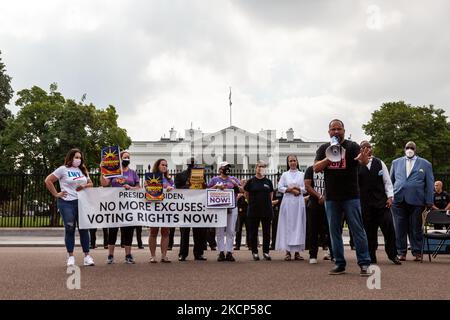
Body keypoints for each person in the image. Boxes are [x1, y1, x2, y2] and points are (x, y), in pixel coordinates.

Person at [314, 119, 371, 276]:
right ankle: (339, 263)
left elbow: (363, 162)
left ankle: (364, 263)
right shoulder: (324, 148)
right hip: (331, 197)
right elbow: (316, 168)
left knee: (357, 229)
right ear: (329, 132)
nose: (336, 132)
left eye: (339, 129)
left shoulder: (352, 146)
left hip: (351, 196)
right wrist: (330, 155)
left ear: (344, 131)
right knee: (334, 232)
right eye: (333, 129)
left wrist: (364, 160)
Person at [44, 148, 95, 267]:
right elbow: (48, 180)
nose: (78, 159)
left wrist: (83, 186)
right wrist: (56, 194)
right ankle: (70, 256)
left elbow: (91, 184)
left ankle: (87, 256)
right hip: (66, 202)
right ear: (70, 157)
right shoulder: (63, 169)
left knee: (84, 228)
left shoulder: (83, 169)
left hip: (81, 202)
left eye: (80, 158)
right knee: (70, 228)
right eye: (76, 157)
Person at [357, 141, 401, 265]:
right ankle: (371, 256)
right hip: (365, 204)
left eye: (369, 147)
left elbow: (387, 182)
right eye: (364, 147)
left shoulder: (380, 163)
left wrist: (390, 197)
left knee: (389, 230)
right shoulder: (357, 165)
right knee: (369, 232)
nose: (367, 149)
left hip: (382, 204)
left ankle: (393, 255)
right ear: (360, 150)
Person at [390, 141, 434, 262]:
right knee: (399, 227)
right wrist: (389, 196)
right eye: (407, 147)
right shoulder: (396, 162)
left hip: (417, 200)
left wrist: (429, 200)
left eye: (412, 147)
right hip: (398, 199)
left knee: (415, 227)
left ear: (415, 149)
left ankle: (417, 252)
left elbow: (430, 184)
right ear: (404, 149)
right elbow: (391, 181)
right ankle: (401, 252)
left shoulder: (425, 164)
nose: (409, 149)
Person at [100, 150, 140, 264]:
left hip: (128, 206)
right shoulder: (114, 172)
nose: (127, 159)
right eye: (125, 157)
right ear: (120, 159)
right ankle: (110, 255)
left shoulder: (133, 173)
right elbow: (104, 184)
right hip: (115, 205)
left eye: (128, 157)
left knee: (128, 230)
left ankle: (128, 255)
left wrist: (130, 188)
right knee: (112, 229)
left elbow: (138, 187)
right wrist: (102, 170)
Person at [208, 161, 242, 262]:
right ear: (220, 169)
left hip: (232, 208)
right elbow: (207, 191)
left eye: (228, 167)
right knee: (220, 231)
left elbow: (242, 190)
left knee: (231, 230)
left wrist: (235, 184)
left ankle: (229, 252)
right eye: (225, 167)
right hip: (219, 208)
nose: (227, 169)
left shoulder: (233, 179)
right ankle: (221, 252)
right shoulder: (214, 179)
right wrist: (216, 187)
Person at [175, 158, 208, 261]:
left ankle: (198, 253)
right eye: (191, 163)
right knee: (185, 231)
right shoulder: (180, 175)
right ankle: (182, 254)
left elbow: (204, 187)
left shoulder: (201, 174)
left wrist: (201, 185)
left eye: (194, 163)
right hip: (185, 206)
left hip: (198, 205)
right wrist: (188, 186)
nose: (192, 165)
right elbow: (177, 189)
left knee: (199, 231)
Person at [276, 155, 307, 261]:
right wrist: (290, 190)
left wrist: (298, 189)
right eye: (290, 161)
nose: (292, 162)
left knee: (298, 225)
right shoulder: (285, 175)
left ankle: (297, 252)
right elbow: (280, 187)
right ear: (288, 163)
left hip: (298, 203)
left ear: (297, 162)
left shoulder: (302, 174)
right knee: (287, 225)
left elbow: (305, 188)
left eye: (294, 160)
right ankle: (288, 252)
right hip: (288, 203)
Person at [244, 160, 274, 261]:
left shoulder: (268, 182)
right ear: (256, 168)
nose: (261, 168)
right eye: (259, 166)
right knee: (253, 232)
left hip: (266, 210)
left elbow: (271, 195)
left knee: (266, 233)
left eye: (263, 166)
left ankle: (266, 252)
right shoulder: (250, 181)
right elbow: (246, 194)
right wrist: (251, 203)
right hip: (253, 211)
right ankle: (255, 252)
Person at [304, 165, 332, 264]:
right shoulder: (310, 170)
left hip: (328, 202)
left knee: (330, 229)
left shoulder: (329, 169)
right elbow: (307, 185)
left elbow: (332, 184)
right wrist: (319, 196)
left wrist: (324, 196)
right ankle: (313, 255)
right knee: (313, 230)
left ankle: (333, 254)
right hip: (314, 203)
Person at [148, 159, 174, 263]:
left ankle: (164, 255)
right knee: (153, 232)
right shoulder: (151, 177)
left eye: (166, 165)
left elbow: (175, 189)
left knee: (165, 232)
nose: (165, 167)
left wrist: (171, 188)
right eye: (162, 164)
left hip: (166, 208)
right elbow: (147, 188)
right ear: (157, 165)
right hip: (154, 208)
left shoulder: (169, 179)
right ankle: (153, 256)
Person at [235, 179, 249, 250]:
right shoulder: (237, 190)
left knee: (249, 229)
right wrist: (238, 197)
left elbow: (250, 200)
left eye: (245, 182)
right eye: (242, 182)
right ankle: (237, 245)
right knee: (238, 230)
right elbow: (234, 200)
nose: (244, 183)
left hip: (247, 212)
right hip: (239, 213)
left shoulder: (248, 190)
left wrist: (244, 194)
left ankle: (250, 245)